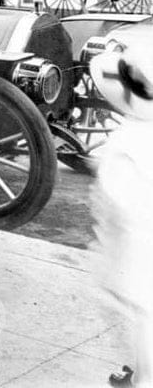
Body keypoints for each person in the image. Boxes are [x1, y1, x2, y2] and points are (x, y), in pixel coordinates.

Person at [90, 42, 153, 388]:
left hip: (135, 245)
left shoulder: (125, 143)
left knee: (139, 316)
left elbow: (117, 204)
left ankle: (143, 377)